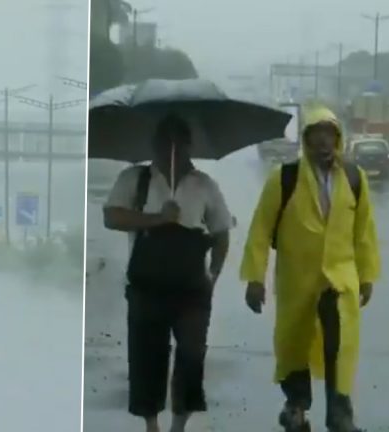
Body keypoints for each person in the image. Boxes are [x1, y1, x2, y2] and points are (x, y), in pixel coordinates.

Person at [239, 106, 380, 432]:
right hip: (297, 281)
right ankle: (296, 406)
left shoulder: (354, 179)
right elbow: (260, 230)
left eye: (329, 136)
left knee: (340, 345)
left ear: (338, 139)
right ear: (305, 141)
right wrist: (254, 278)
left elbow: (364, 232)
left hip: (340, 279)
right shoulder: (284, 179)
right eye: (316, 137)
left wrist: (367, 275)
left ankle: (340, 414)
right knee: (294, 343)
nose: (323, 143)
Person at [103, 114, 232, 432]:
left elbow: (221, 232)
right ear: (155, 144)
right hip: (147, 285)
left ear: (189, 145)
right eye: (164, 141)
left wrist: (213, 275)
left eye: (178, 141)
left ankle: (179, 425)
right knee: (147, 356)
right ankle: (151, 424)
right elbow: (112, 217)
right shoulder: (135, 178)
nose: (171, 148)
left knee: (191, 355)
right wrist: (157, 219)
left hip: (191, 289)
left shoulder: (204, 185)